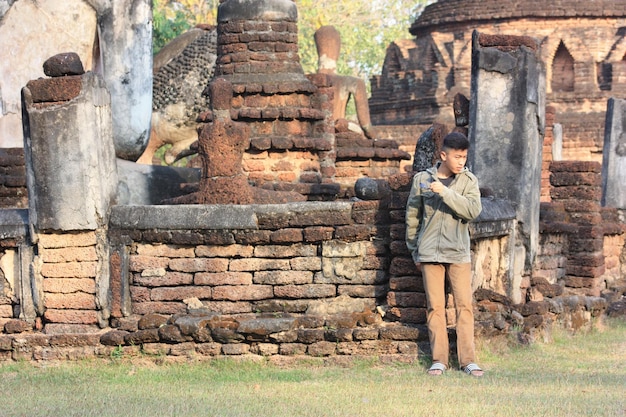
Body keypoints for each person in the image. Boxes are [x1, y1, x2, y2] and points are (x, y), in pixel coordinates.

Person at [405, 131, 484, 377]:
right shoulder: (421, 179)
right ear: (443, 155)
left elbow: (472, 210)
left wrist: (444, 192)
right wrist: (414, 250)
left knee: (464, 306)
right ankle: (439, 360)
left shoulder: (469, 180)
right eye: (457, 156)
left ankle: (468, 361)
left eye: (464, 157)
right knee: (435, 307)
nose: (461, 161)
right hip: (429, 253)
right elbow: (412, 217)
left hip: (458, 252)